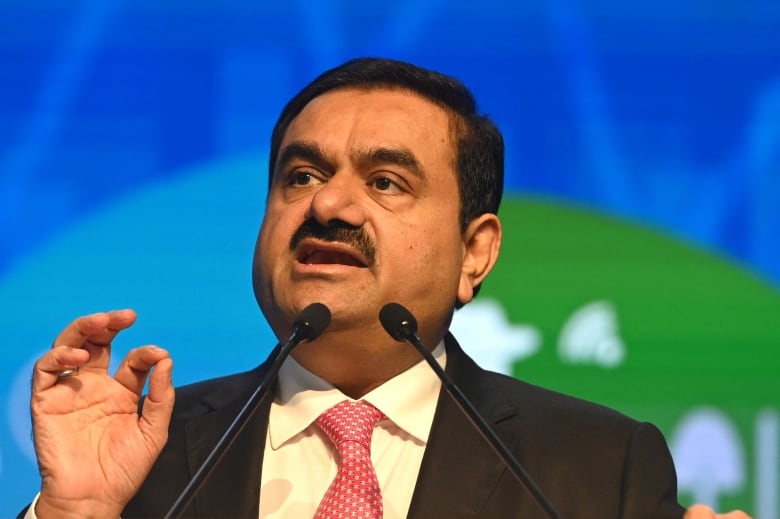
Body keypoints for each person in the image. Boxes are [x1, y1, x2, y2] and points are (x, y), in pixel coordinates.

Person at [23, 58, 751, 519]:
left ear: (475, 252)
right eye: (301, 176)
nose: (328, 207)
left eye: (385, 182)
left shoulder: (592, 468)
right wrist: (74, 513)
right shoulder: (148, 455)